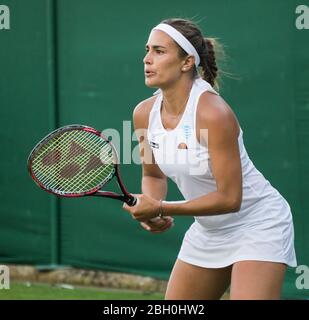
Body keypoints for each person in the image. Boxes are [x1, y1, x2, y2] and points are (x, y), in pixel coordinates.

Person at [123, 18, 297, 300]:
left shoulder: (213, 113)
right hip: (208, 231)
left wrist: (163, 206)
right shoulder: (143, 113)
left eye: (159, 51)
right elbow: (153, 175)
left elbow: (230, 198)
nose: (147, 59)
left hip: (258, 224)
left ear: (186, 62)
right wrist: (153, 210)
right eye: (147, 50)